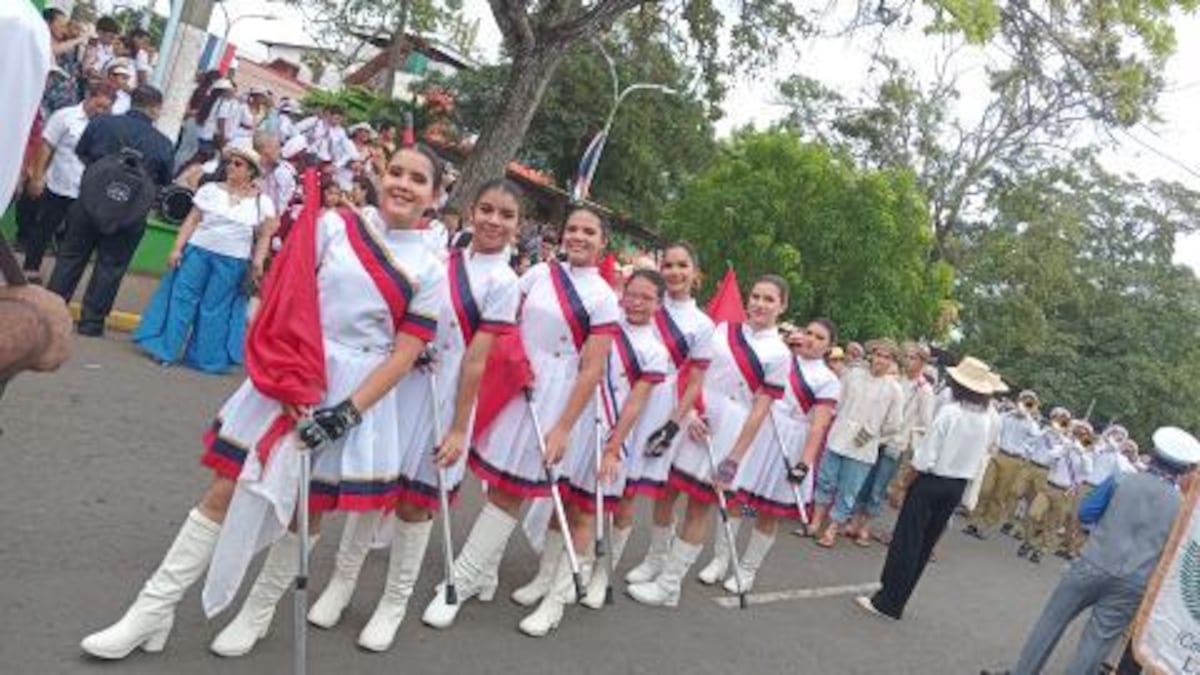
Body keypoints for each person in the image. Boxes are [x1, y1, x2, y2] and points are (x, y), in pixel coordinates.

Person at [79, 145, 447, 660]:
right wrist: (291, 379)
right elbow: (288, 299)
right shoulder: (334, 227)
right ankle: (150, 611)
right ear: (381, 177)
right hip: (292, 372)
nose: (403, 185)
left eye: (418, 179)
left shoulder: (431, 269)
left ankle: (258, 611)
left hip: (353, 396)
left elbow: (404, 356)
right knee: (225, 489)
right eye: (397, 173)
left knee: (305, 510)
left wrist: (344, 414)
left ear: (436, 195)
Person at [305, 179, 525, 651]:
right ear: (470, 212)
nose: (493, 221)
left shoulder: (505, 282)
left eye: (506, 215)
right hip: (399, 384)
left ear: (517, 226)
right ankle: (341, 584)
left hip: (445, 398)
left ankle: (393, 603)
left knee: (415, 504)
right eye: (486, 209)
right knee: (373, 487)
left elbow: (477, 360)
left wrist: (459, 428)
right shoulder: (438, 258)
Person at [421, 206, 620, 631]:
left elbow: (592, 369)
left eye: (589, 232)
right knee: (495, 479)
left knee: (510, 490)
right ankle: (487, 575)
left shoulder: (604, 298)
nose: (579, 237)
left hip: (556, 396)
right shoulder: (538, 274)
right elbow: (506, 325)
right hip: (515, 382)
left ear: (604, 242)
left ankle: (461, 580)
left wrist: (564, 426)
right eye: (572, 229)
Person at [516, 268, 669, 634]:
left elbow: (634, 405)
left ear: (659, 304)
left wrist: (614, 449)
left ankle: (557, 600)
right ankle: (544, 577)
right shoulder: (604, 323)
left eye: (646, 298)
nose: (636, 302)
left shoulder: (654, 350)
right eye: (632, 294)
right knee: (560, 504)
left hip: (611, 437)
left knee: (584, 513)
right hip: (578, 423)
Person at [626, 276, 790, 608]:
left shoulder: (780, 353)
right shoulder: (721, 331)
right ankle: (656, 559)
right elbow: (694, 375)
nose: (759, 303)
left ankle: (670, 585)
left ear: (782, 306)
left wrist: (734, 458)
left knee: (698, 507)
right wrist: (688, 415)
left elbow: (760, 410)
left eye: (769, 299)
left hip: (731, 430)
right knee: (665, 493)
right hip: (695, 417)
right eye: (755, 295)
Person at [981, 427, 1200, 675]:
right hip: (1134, 581)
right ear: (1185, 470)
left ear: (1153, 452)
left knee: (1051, 623)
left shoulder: (1121, 479)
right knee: (1096, 645)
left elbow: (1086, 513)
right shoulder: (1183, 509)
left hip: (1093, 561)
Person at [855, 356, 1000, 621]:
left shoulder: (951, 412)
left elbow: (925, 457)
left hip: (932, 481)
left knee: (906, 541)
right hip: (956, 486)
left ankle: (887, 601)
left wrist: (902, 485)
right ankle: (898, 599)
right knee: (924, 545)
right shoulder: (987, 419)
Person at [618, 243, 715, 589]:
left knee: (638, 489)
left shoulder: (703, 324)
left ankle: (654, 559)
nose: (674, 271)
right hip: (621, 390)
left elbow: (696, 380)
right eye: (668, 264)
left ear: (695, 273)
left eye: (682, 265)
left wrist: (673, 423)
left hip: (659, 404)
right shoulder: (643, 299)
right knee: (609, 477)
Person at [132, 144, 276, 373]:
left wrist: (258, 263)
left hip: (233, 261)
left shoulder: (263, 202)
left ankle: (205, 359)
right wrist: (177, 249)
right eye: (229, 162)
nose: (231, 167)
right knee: (181, 299)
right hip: (197, 251)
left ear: (251, 172)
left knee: (215, 308)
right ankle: (165, 351)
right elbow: (192, 220)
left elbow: (265, 236)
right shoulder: (210, 190)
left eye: (238, 164)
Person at [718, 319, 840, 591]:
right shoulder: (783, 359)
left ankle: (747, 570)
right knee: (735, 497)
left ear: (830, 346)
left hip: (791, 439)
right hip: (761, 429)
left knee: (768, 512)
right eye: (808, 333)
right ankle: (721, 559)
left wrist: (804, 464)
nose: (810, 339)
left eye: (819, 338)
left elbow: (819, 425)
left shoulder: (828, 380)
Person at [47, 85, 173, 338]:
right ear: (155, 109)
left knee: (71, 257)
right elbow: (164, 180)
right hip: (130, 211)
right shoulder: (162, 143)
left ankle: (51, 314)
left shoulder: (102, 123)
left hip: (89, 201)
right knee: (111, 266)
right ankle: (92, 322)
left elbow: (82, 152)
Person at [810, 339, 903, 548]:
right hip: (838, 437)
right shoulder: (853, 375)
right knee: (826, 480)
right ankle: (815, 522)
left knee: (848, 490)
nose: (880, 360)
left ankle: (832, 529)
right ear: (871, 355)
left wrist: (867, 435)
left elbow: (893, 424)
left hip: (863, 448)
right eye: (878, 354)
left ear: (893, 362)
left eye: (887, 357)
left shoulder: (894, 389)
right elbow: (837, 401)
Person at [22, 81, 117, 284]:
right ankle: (31, 269)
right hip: (59, 185)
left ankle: (60, 280)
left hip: (86, 193)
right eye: (98, 105)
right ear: (89, 97)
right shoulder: (65, 116)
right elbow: (46, 146)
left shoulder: (108, 126)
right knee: (44, 228)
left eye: (106, 108)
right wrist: (37, 177)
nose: (101, 111)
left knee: (73, 239)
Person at [849, 343, 934, 546]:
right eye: (907, 356)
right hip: (877, 437)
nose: (908, 361)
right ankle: (854, 521)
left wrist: (906, 437)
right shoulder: (895, 379)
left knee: (879, 485)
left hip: (896, 444)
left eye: (913, 357)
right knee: (865, 479)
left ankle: (866, 527)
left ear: (922, 362)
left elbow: (925, 424)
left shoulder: (925, 390)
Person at [964, 389, 1041, 539]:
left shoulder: (1032, 424)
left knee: (999, 494)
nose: (1026, 404)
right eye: (1024, 400)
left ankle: (985, 524)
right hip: (998, 454)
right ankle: (974, 520)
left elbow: (1035, 441)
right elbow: (994, 429)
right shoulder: (1005, 416)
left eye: (1030, 402)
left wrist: (1029, 417)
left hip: (1014, 460)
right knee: (985, 489)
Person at [1021, 419, 1092, 564]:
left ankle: (1041, 550)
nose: (1078, 436)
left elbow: (1088, 470)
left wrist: (1081, 453)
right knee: (1033, 513)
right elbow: (1047, 459)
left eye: (1082, 434)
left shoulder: (1087, 455)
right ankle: (1027, 541)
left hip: (1065, 492)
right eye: (1076, 433)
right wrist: (1064, 449)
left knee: (1053, 523)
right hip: (1049, 486)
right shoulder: (1062, 446)